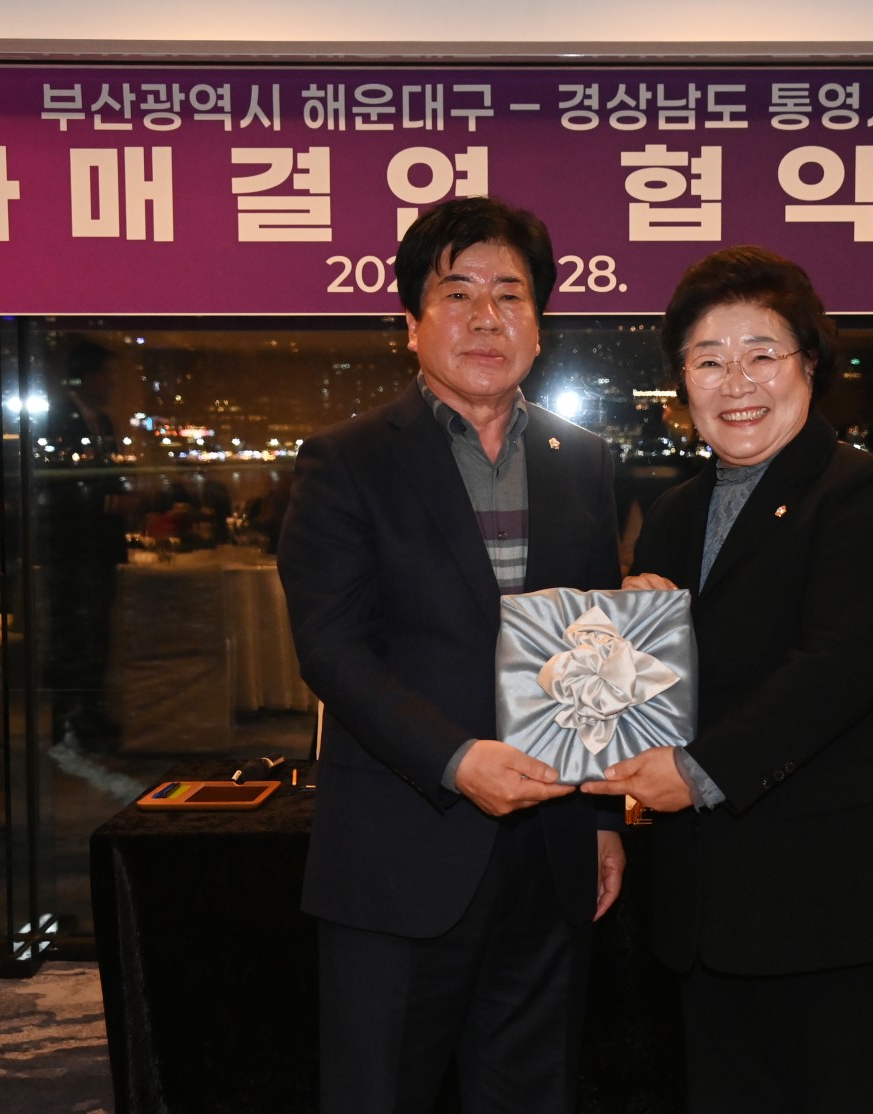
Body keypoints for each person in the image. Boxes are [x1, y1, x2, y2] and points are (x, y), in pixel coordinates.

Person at [584, 247, 873, 1113]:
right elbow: (671, 693)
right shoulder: (674, 515)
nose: (737, 383)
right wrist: (625, 641)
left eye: (761, 353)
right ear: (681, 383)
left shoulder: (863, 492)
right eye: (708, 361)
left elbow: (848, 661)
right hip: (711, 912)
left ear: (809, 363)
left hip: (843, 906)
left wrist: (697, 772)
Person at [276, 196, 626, 1114]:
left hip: (549, 852)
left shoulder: (585, 461)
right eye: (458, 293)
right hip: (401, 851)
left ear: (539, 326)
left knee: (533, 1093)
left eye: (510, 295)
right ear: (412, 323)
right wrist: (457, 759)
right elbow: (331, 647)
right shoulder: (346, 461)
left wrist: (602, 820)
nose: (485, 316)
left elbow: (596, 650)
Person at [36, 338, 129, 752]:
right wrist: (109, 501)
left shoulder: (102, 421)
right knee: (70, 634)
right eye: (107, 373)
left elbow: (107, 478)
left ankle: (88, 716)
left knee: (95, 634)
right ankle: (68, 721)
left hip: (98, 546)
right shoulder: (58, 419)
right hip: (71, 546)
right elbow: (58, 486)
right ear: (88, 376)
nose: (112, 382)